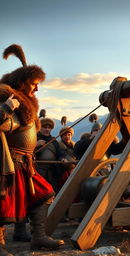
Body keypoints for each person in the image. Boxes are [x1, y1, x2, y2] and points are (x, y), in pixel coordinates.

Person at [0, 44, 64, 255]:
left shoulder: (25, 104)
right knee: (3, 204)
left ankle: (38, 237)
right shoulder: (9, 100)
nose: (37, 89)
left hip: (25, 164)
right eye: (34, 84)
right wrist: (7, 109)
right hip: (9, 163)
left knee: (43, 194)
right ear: (21, 83)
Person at [35, 118, 66, 192]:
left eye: (49, 128)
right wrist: (36, 145)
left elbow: (59, 154)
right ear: (40, 128)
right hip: (37, 171)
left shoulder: (54, 141)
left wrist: (62, 159)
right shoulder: (34, 139)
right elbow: (27, 154)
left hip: (52, 172)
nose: (47, 129)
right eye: (44, 127)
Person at [56, 126, 77, 193]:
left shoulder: (75, 145)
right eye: (65, 135)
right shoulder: (58, 146)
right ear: (61, 136)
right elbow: (60, 156)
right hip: (63, 171)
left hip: (74, 170)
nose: (67, 136)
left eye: (69, 135)